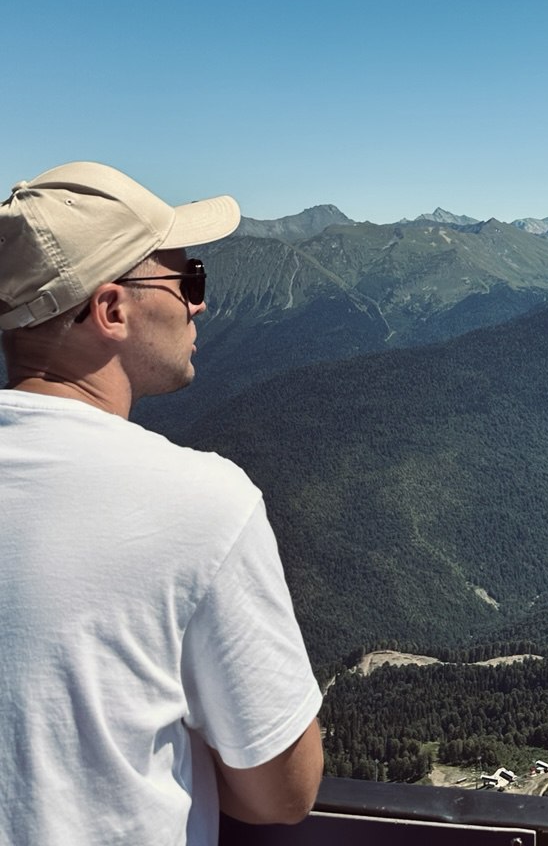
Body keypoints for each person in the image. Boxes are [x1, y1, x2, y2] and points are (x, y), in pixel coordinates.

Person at [0, 162, 323, 845]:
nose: (198, 304)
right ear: (112, 309)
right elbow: (284, 794)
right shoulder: (202, 503)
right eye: (188, 279)